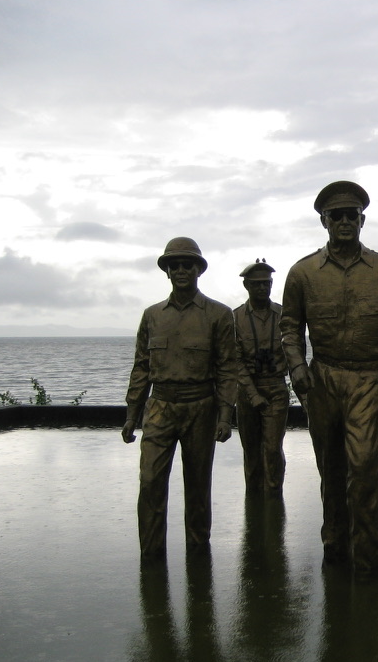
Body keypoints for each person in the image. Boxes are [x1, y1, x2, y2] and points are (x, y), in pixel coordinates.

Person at [280, 181, 378, 573]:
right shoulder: (302, 273)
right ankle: (335, 553)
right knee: (332, 470)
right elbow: (289, 327)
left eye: (351, 215)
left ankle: (368, 561)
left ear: (363, 219)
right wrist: (298, 367)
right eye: (335, 216)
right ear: (323, 222)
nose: (344, 221)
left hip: (368, 378)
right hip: (323, 379)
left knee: (365, 469)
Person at [122, 237, 238, 560]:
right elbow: (141, 368)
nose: (182, 270)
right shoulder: (152, 316)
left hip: (201, 407)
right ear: (168, 271)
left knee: (198, 490)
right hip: (159, 408)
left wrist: (225, 415)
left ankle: (198, 557)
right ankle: (151, 557)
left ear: (198, 270)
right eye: (175, 265)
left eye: (188, 264)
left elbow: (228, 368)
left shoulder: (219, 315)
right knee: (149, 483)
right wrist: (132, 414)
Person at [233, 259, 289, 504]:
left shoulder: (284, 315)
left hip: (276, 387)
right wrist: (252, 394)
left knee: (272, 448)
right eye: (256, 284)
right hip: (247, 390)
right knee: (251, 451)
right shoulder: (235, 318)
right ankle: (253, 499)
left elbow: (296, 349)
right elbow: (234, 361)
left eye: (266, 283)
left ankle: (274, 497)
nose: (261, 288)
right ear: (246, 286)